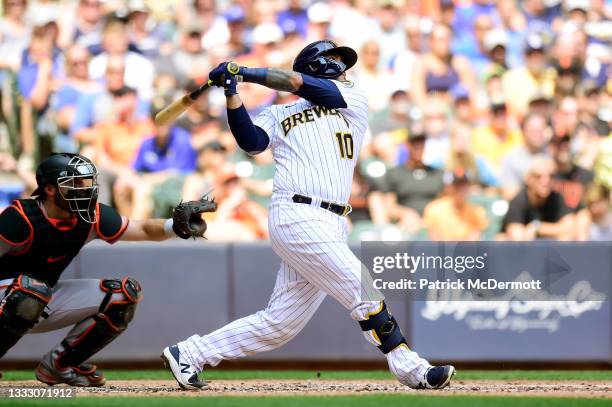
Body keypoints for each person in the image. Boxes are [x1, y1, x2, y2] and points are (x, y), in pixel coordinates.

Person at [162, 40, 455, 390]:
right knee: (362, 287)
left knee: (280, 324)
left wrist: (245, 72)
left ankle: (189, 353)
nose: (342, 66)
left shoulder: (352, 98)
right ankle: (413, 369)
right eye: (333, 59)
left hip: (332, 221)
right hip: (296, 213)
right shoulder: (280, 113)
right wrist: (231, 92)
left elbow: (299, 83)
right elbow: (251, 142)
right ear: (315, 64)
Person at [0, 153, 215, 386]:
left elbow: (141, 229)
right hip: (10, 297)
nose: (85, 190)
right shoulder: (20, 218)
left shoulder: (92, 216)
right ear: (50, 190)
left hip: (40, 295)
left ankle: (60, 365)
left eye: (87, 182)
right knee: (31, 291)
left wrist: (175, 226)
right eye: (75, 184)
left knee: (123, 295)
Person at [502, 156, 575, 241]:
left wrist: (537, 227)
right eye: (539, 176)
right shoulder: (518, 201)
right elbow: (516, 238)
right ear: (528, 179)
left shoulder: (557, 198)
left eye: (551, 176)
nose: (546, 181)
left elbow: (570, 229)